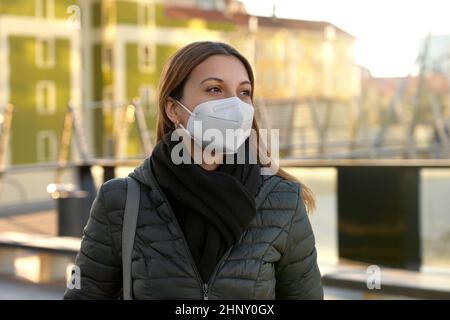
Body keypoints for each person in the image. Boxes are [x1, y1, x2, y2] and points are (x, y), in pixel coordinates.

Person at [63, 41, 323, 300]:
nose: (234, 105)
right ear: (173, 109)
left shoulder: (283, 200)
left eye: (244, 92)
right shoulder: (121, 200)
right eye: (214, 89)